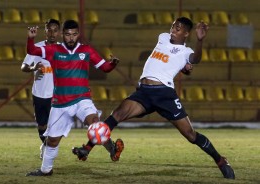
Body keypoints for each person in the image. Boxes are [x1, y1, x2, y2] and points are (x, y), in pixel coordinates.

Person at [72, 17, 235, 179]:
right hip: (144, 92)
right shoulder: (163, 37)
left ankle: (221, 161)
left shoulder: (186, 52)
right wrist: (184, 67)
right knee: (116, 114)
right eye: (173, 25)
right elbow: (168, 60)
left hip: (164, 94)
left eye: (178, 28)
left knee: (190, 135)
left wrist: (199, 41)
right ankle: (87, 148)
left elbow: (195, 59)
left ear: (186, 33)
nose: (173, 29)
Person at [25, 19, 123, 176]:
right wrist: (30, 38)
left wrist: (113, 64)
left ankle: (112, 148)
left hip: (82, 99)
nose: (71, 37)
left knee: (95, 125)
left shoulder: (87, 51)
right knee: (52, 141)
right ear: (63, 35)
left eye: (74, 34)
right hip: (60, 104)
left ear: (78, 34)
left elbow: (105, 68)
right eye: (68, 34)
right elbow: (32, 51)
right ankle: (45, 170)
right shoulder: (53, 50)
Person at [21, 19, 60, 160]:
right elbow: (23, 66)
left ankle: (50, 149)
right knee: (42, 125)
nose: (52, 33)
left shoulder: (62, 49)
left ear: (59, 32)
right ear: (45, 31)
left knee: (55, 126)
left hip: (56, 95)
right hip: (39, 93)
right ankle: (45, 144)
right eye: (49, 30)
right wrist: (33, 68)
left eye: (55, 30)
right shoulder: (37, 48)